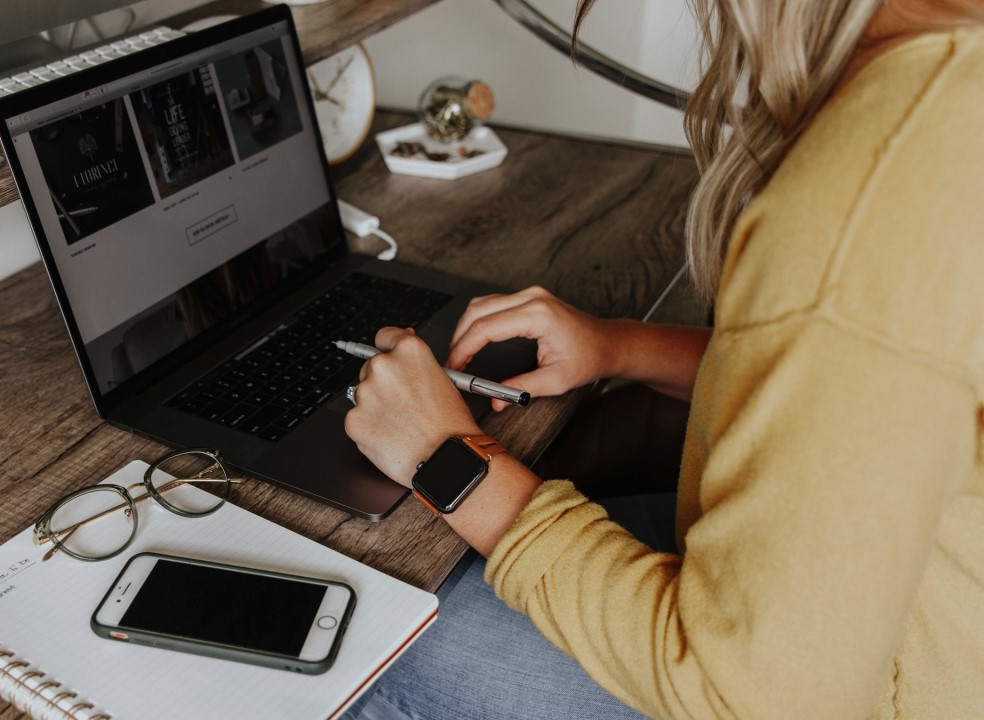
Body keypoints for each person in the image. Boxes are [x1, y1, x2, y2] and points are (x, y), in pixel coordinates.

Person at [342, 0, 984, 717]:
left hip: (853, 684)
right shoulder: (954, 94)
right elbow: (867, 385)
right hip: (890, 611)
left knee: (361, 638)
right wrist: (619, 345)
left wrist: (444, 455)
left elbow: (754, 695)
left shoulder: (869, 193)